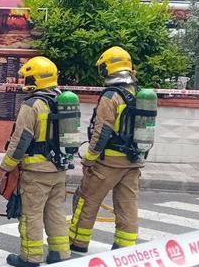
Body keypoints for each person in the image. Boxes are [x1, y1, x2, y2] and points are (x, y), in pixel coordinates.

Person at [69, 46, 142, 252]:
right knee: (127, 205)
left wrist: (89, 160)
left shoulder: (111, 96)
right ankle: (125, 245)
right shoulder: (137, 93)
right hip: (133, 161)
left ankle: (78, 241)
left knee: (86, 200)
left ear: (108, 68)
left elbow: (102, 132)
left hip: (108, 161)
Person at [0, 56, 71, 266]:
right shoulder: (62, 101)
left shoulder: (32, 105)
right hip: (59, 170)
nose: (24, 82)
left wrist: (6, 167)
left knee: (31, 215)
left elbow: (20, 141)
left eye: (27, 77)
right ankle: (60, 254)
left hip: (36, 172)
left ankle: (30, 258)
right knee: (55, 213)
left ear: (35, 79)